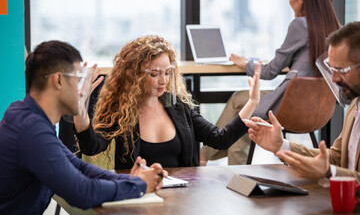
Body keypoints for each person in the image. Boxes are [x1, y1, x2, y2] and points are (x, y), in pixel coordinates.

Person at [0, 40, 167, 215]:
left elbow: (79, 167)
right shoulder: (31, 130)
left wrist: (130, 180)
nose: (83, 90)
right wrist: (140, 184)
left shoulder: (23, 115)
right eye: (79, 79)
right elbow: (82, 192)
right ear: (58, 80)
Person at [200, 0, 340, 165]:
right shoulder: (336, 28)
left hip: (290, 107)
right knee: (244, 109)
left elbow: (270, 71)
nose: (289, 1)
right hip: (319, 111)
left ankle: (206, 156)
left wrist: (246, 64)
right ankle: (209, 153)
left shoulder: (300, 25)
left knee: (240, 103)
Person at [73, 35, 261, 169]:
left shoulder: (177, 107)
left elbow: (220, 139)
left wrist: (252, 102)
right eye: (154, 74)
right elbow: (91, 147)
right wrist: (80, 111)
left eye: (168, 72)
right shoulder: (121, 111)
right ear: (135, 75)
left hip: (183, 198)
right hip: (141, 197)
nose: (163, 81)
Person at [247, 22, 360, 182]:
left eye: (341, 70)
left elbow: (331, 167)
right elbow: (336, 158)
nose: (334, 78)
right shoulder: (355, 107)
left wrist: (330, 172)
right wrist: (281, 145)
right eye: (331, 69)